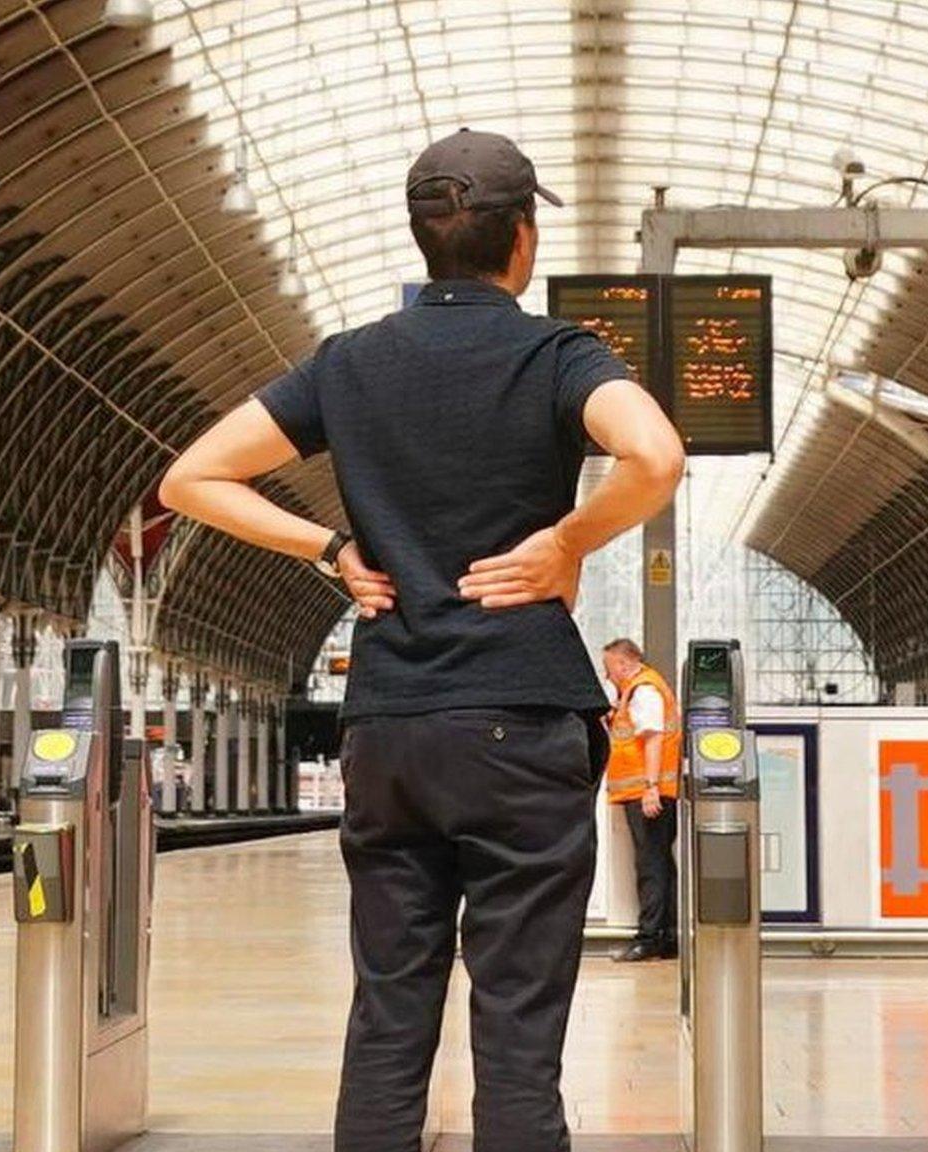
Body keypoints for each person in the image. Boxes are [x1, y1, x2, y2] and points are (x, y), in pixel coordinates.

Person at [158, 128, 684, 1152]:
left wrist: (328, 549)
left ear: (419, 237)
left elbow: (192, 480)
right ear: (521, 240)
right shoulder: (556, 354)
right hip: (521, 721)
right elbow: (654, 453)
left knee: (389, 1015)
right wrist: (565, 542)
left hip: (390, 725)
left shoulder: (348, 365)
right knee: (518, 1027)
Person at [600, 638, 681, 961]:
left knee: (651, 864)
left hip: (649, 793)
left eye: (609, 668)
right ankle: (666, 936)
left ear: (624, 663)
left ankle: (649, 938)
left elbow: (652, 739)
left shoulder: (644, 690)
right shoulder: (635, 692)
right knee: (659, 862)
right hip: (650, 791)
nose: (608, 676)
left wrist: (650, 787)